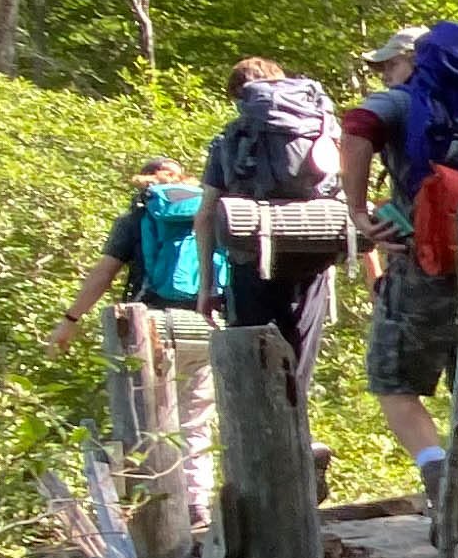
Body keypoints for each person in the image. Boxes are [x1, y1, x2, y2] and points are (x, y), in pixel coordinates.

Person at [335, 26, 458, 498]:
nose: (384, 75)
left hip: (424, 262)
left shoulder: (405, 101)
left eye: (388, 65)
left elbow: (357, 126)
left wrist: (357, 210)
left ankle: (437, 470)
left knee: (393, 381)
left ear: (413, 61)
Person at [197, 55, 344, 403]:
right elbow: (344, 196)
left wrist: (206, 286)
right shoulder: (322, 128)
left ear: (240, 96)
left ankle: (263, 442)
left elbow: (205, 216)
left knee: (257, 366)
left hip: (251, 259)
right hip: (313, 260)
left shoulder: (231, 139)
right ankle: (299, 440)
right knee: (298, 367)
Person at [48, 160, 210, 353]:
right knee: (200, 382)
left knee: (145, 382)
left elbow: (104, 274)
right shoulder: (208, 212)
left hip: (151, 320)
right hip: (206, 317)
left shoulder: (136, 218)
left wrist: (70, 320)